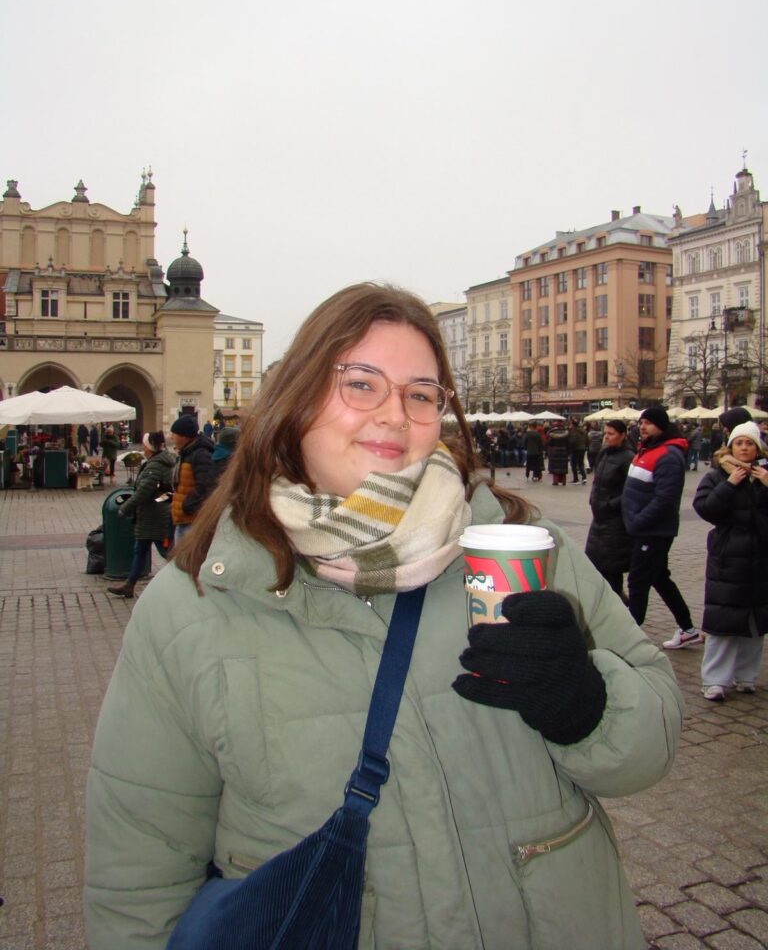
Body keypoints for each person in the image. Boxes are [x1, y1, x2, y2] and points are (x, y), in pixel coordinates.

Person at [84, 283, 683, 950]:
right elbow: (138, 872)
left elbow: (651, 740)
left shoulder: (521, 544)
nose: (396, 416)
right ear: (298, 399)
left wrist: (590, 707)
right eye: (362, 384)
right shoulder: (198, 603)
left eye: (421, 393)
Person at [693, 422, 768, 701]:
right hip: (727, 556)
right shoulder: (717, 475)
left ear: (758, 447)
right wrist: (730, 485)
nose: (745, 448)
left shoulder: (764, 474)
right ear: (731, 445)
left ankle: (746, 676)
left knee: (754, 621)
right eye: (740, 443)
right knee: (722, 619)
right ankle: (714, 680)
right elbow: (706, 509)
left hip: (759, 557)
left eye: (750, 443)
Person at [622, 406, 702, 648]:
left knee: (638, 580)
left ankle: (630, 635)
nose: (642, 427)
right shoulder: (648, 449)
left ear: (661, 426)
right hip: (644, 528)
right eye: (641, 422)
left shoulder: (668, 455)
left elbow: (665, 499)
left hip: (653, 531)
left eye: (648, 423)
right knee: (659, 578)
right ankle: (688, 629)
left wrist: (638, 520)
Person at [107, 432, 175, 599]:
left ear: (149, 447)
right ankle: (129, 585)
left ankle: (188, 579)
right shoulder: (158, 462)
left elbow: (144, 491)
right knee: (140, 550)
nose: (143, 448)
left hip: (155, 515)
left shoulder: (155, 465)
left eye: (145, 444)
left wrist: (125, 508)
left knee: (166, 551)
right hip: (152, 514)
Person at [585, 420, 634, 603]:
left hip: (615, 523)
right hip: (599, 519)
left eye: (611, 433)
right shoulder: (604, 453)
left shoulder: (628, 457)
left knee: (612, 569)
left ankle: (618, 606)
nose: (606, 437)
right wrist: (593, 499)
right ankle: (607, 603)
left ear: (622, 435)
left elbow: (631, 491)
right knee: (596, 566)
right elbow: (597, 482)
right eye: (605, 433)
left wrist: (611, 504)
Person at [169, 414, 215, 543]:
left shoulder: (200, 455)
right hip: (183, 520)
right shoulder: (187, 453)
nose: (171, 437)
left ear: (184, 436)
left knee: (186, 561)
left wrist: (187, 505)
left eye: (174, 434)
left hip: (192, 521)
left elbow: (206, 485)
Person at [545, 420, 569, 485]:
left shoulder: (552, 433)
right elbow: (568, 443)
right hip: (564, 450)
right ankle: (563, 481)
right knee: (563, 467)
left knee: (555, 467)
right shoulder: (566, 433)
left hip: (555, 451)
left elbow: (550, 443)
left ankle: (555, 481)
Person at [568, 418, 588, 483]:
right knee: (580, 463)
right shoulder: (583, 431)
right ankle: (584, 477)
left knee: (573, 464)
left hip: (576, 449)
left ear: (572, 424)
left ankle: (575, 478)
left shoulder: (573, 431)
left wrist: (570, 447)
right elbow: (587, 439)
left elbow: (573, 441)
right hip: (583, 448)